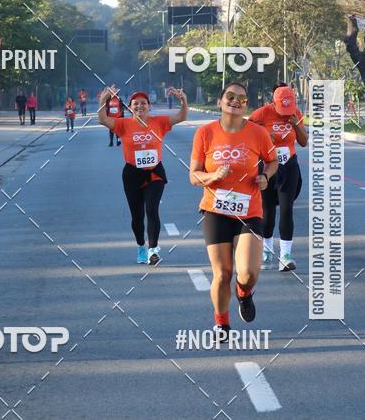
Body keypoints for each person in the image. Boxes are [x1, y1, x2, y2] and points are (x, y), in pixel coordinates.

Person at [190, 82, 277, 340]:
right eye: (230, 96)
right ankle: (222, 324)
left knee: (248, 273)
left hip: (249, 210)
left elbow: (272, 162)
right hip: (216, 209)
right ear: (219, 101)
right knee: (222, 272)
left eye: (242, 98)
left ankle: (244, 293)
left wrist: (265, 177)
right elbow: (194, 176)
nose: (236, 101)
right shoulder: (205, 133)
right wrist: (214, 174)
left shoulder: (258, 133)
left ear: (246, 105)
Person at [99, 86, 187, 265]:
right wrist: (103, 100)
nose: (140, 106)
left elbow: (181, 116)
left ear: (149, 106)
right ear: (130, 107)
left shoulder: (159, 122)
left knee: (152, 209)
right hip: (132, 174)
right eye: (136, 103)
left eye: (143, 103)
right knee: (137, 216)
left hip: (154, 172)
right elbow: (102, 119)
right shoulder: (123, 124)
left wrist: (183, 100)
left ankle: (153, 250)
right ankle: (141, 245)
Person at [249, 83, 307, 271]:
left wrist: (295, 125)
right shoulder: (261, 114)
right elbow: (245, 135)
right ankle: (266, 249)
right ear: (273, 103)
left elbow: (304, 142)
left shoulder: (295, 113)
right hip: (267, 167)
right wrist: (265, 135)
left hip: (289, 166)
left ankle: (285, 255)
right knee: (267, 210)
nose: (284, 113)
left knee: (286, 209)